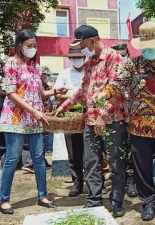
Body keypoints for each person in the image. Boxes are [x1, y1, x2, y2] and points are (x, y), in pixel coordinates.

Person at [94, 21, 155, 221]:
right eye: (144, 47)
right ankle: (149, 202)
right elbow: (118, 84)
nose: (148, 51)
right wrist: (104, 93)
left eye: (151, 47)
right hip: (139, 127)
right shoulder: (132, 65)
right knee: (142, 168)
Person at [54, 25, 128, 217]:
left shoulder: (114, 58)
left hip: (111, 121)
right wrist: (64, 106)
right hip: (91, 120)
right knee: (91, 162)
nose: (81, 50)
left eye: (82, 45)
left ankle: (117, 201)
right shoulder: (89, 62)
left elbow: (117, 88)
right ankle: (94, 200)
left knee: (115, 161)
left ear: (91, 41)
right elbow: (82, 90)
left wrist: (103, 116)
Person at [0, 30, 67, 214]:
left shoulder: (35, 67)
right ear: (20, 45)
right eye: (29, 45)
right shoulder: (11, 63)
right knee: (13, 158)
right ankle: (4, 200)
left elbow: (40, 93)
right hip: (15, 118)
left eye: (35, 45)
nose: (32, 49)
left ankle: (42, 195)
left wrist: (55, 92)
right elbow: (11, 93)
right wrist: (34, 111)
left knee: (38, 158)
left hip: (35, 117)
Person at [53, 40, 85, 197]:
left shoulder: (91, 71)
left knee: (93, 152)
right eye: (74, 57)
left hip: (89, 114)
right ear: (70, 58)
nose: (77, 59)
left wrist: (73, 95)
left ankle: (94, 183)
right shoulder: (64, 73)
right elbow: (57, 95)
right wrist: (74, 96)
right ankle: (77, 183)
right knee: (73, 152)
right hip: (70, 114)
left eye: (79, 56)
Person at [110, 41, 138, 198]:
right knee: (117, 151)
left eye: (124, 54)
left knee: (133, 150)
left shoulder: (133, 67)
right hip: (116, 115)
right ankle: (120, 182)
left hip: (132, 116)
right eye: (118, 55)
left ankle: (132, 181)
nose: (121, 59)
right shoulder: (110, 67)